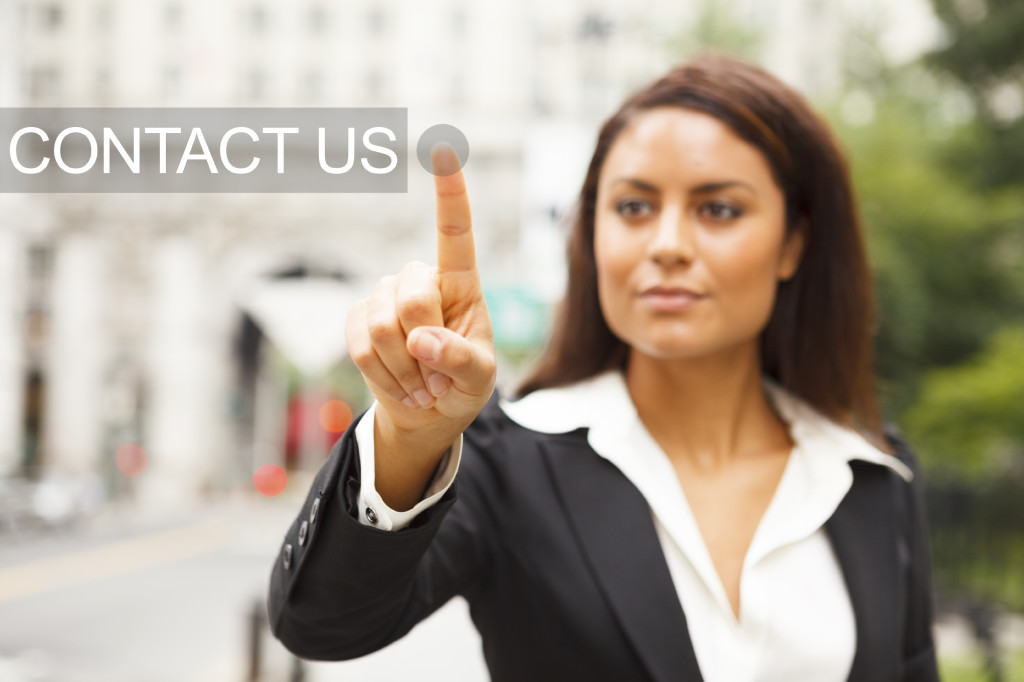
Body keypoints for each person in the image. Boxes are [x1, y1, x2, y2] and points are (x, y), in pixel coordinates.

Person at [267, 55, 940, 681]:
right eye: (633, 207)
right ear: (592, 233)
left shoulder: (870, 478)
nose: (668, 244)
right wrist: (409, 437)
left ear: (794, 242)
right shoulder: (508, 461)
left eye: (719, 209)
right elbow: (322, 624)